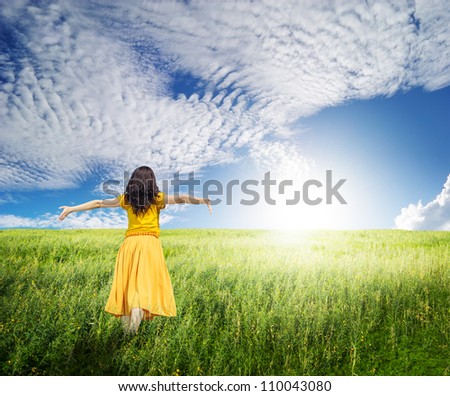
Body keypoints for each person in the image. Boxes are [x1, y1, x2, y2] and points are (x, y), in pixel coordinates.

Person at [58, 165, 212, 335]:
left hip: (130, 244)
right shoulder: (157, 198)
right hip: (149, 244)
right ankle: (135, 322)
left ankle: (127, 333)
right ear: (152, 181)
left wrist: (71, 209)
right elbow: (182, 198)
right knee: (143, 286)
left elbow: (98, 203)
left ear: (133, 181)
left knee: (127, 286)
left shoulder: (126, 199)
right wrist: (202, 200)